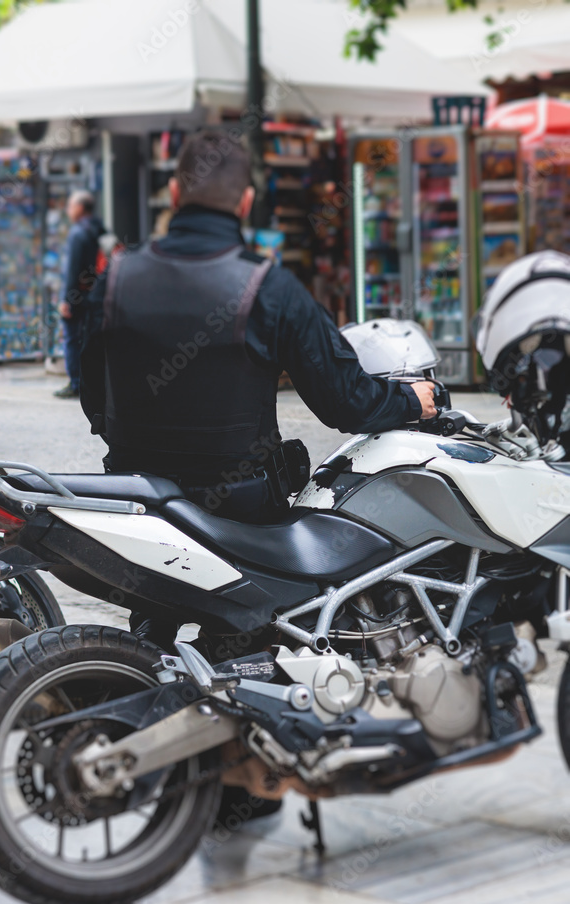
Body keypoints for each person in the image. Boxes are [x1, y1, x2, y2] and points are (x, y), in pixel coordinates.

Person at [81, 128, 436, 828]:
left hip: (140, 499)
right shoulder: (265, 286)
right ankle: (268, 748)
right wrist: (413, 402)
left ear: (174, 193)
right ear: (245, 201)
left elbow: (92, 392)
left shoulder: (112, 279)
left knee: (162, 620)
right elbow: (345, 403)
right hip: (242, 507)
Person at [55, 190, 105, 399]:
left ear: (80, 208)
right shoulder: (99, 229)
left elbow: (73, 269)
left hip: (78, 295)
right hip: (96, 294)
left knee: (72, 339)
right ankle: (92, 382)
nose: (68, 210)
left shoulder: (77, 233)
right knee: (90, 340)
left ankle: (76, 383)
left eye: (70, 205)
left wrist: (67, 300)